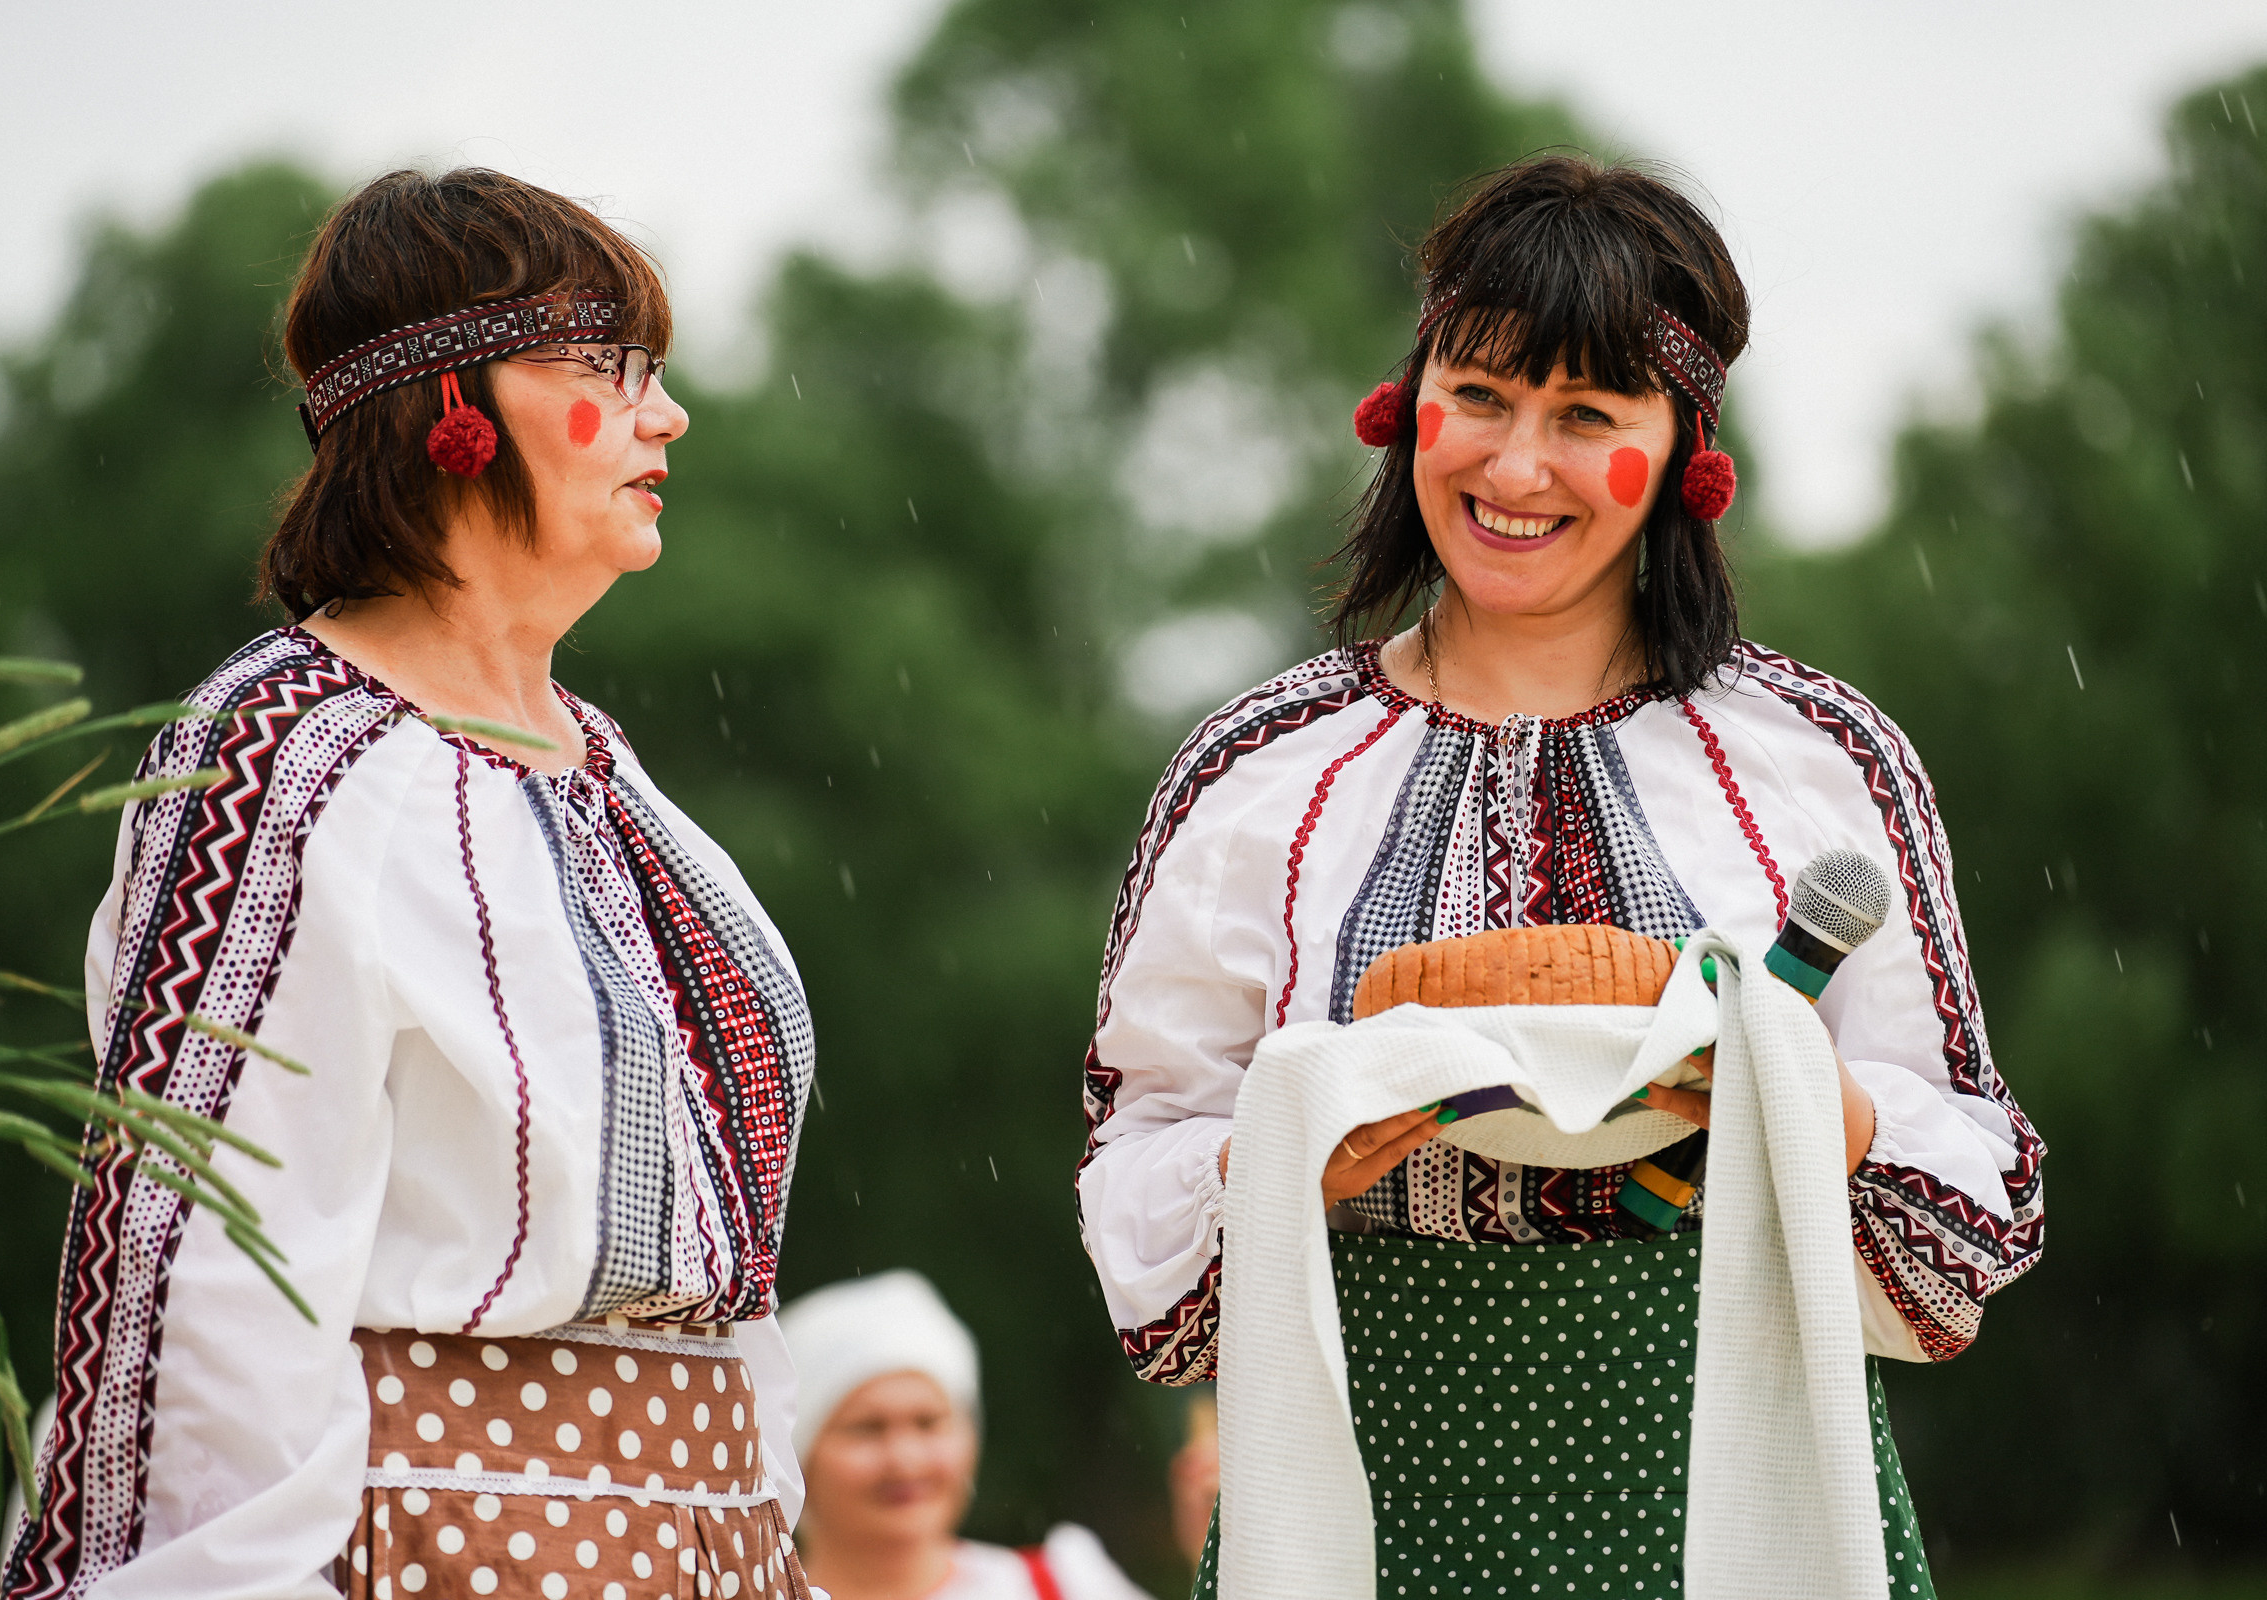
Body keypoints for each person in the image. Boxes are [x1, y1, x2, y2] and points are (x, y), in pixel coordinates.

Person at [1076, 155, 2045, 1595]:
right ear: (1409, 410)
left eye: (1587, 416)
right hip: (1355, 1482)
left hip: (1738, 1475)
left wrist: (1781, 1081)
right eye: (1479, 397)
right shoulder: (1258, 773)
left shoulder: (1817, 762)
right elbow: (1140, 1188)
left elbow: (1972, 1217)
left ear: (1686, 454)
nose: (1515, 469)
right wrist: (1295, 1147)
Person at [2, 169, 817, 1600]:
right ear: (449, 404)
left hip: (718, 1554)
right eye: (605, 364)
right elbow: (208, 1283)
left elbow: (729, 1289)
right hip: (448, 1551)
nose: (665, 413)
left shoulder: (621, 780)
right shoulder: (282, 762)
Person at [780, 1271, 1152, 1600]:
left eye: (928, 1423)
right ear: (794, 1453)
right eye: (867, 1428)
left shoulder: (1063, 1587)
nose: (905, 1459)